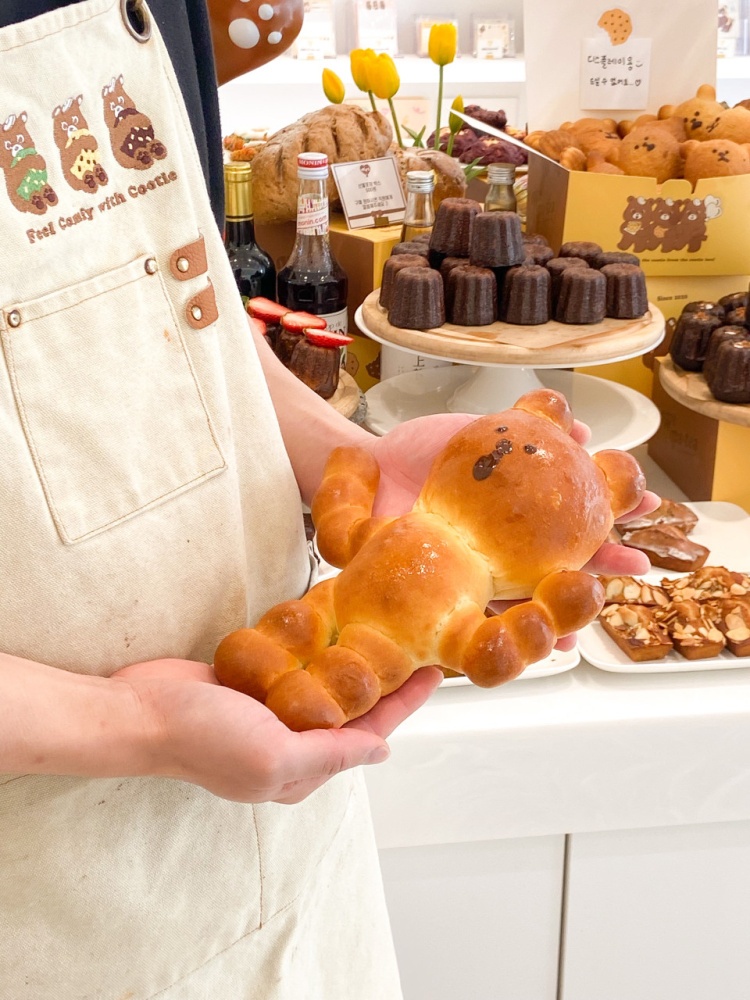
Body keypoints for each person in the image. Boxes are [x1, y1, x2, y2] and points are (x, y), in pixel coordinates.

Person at [0, 2, 659, 997]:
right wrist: (128, 724)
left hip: (287, 843)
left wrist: (353, 459)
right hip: (48, 895)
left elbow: (182, 315)